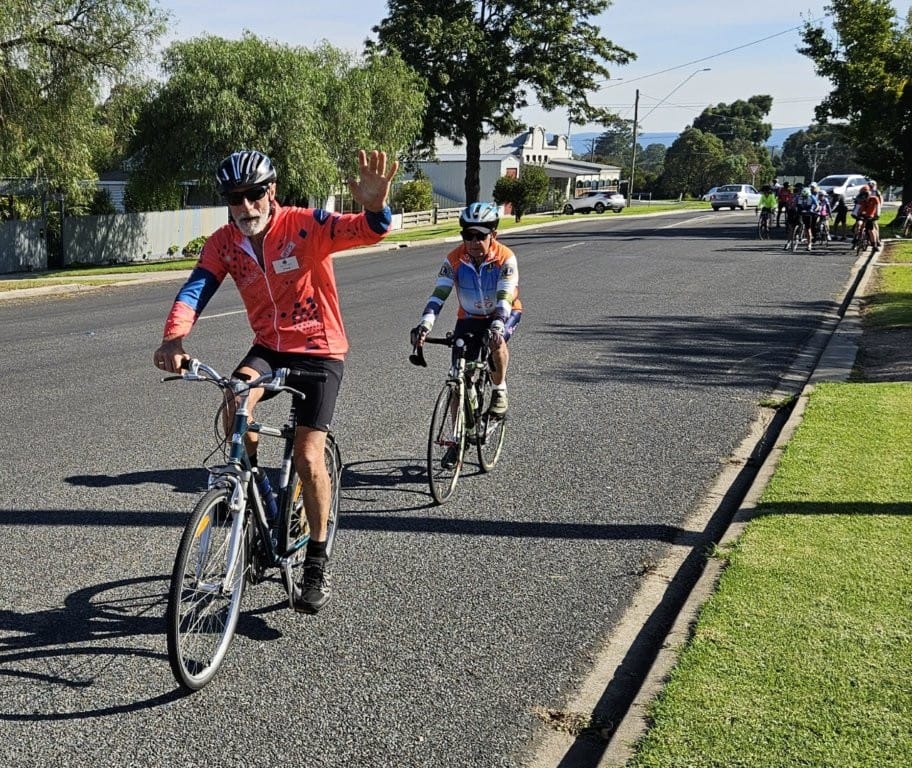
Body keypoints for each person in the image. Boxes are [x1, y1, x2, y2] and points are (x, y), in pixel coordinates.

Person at [153, 148, 399, 614]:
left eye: (252, 195)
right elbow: (195, 289)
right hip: (269, 347)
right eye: (233, 198)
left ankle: (317, 560)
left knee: (308, 457)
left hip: (320, 352)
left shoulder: (304, 225)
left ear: (272, 192)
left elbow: (369, 231)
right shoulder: (224, 242)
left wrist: (373, 206)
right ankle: (252, 489)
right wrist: (174, 339)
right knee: (235, 395)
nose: (244, 207)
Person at [410, 202, 521, 463]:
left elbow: (505, 295)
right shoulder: (454, 259)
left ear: (493, 234)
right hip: (469, 318)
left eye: (480, 235)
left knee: (496, 340)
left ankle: (499, 390)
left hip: (502, 313)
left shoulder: (506, 257)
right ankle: (458, 439)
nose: (473, 241)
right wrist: (425, 324)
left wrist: (498, 323)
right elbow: (439, 294)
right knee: (458, 378)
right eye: (467, 235)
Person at [795, 186, 819, 251]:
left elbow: (817, 205)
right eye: (803, 196)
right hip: (801, 211)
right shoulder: (799, 197)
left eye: (806, 196)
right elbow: (796, 204)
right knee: (796, 221)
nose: (804, 197)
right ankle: (797, 234)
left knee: (808, 228)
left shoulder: (812, 197)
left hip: (809, 212)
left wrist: (814, 210)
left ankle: (809, 244)